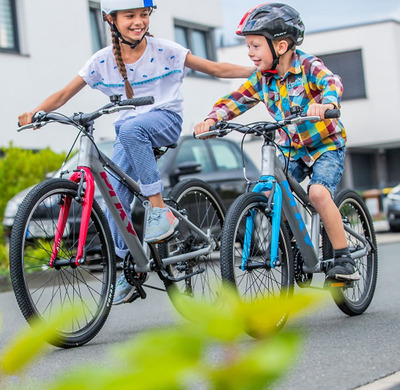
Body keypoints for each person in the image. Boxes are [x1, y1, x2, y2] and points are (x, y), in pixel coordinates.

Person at [18, 0, 255, 304]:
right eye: (130, 15)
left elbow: (215, 68)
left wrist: (259, 70)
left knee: (131, 129)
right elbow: (64, 94)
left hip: (164, 120)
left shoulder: (164, 50)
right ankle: (129, 267)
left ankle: (158, 210)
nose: (139, 21)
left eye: (144, 15)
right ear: (111, 19)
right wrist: (35, 112)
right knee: (112, 196)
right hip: (128, 133)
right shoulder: (102, 61)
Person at [194, 3, 360, 282]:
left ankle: (343, 257)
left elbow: (331, 81)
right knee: (273, 194)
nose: (250, 53)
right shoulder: (262, 79)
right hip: (290, 149)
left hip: (324, 146)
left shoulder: (308, 66)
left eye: (255, 46)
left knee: (318, 195)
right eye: (248, 46)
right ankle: (294, 249)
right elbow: (236, 99)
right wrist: (212, 120)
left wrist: (327, 102)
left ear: (281, 46)